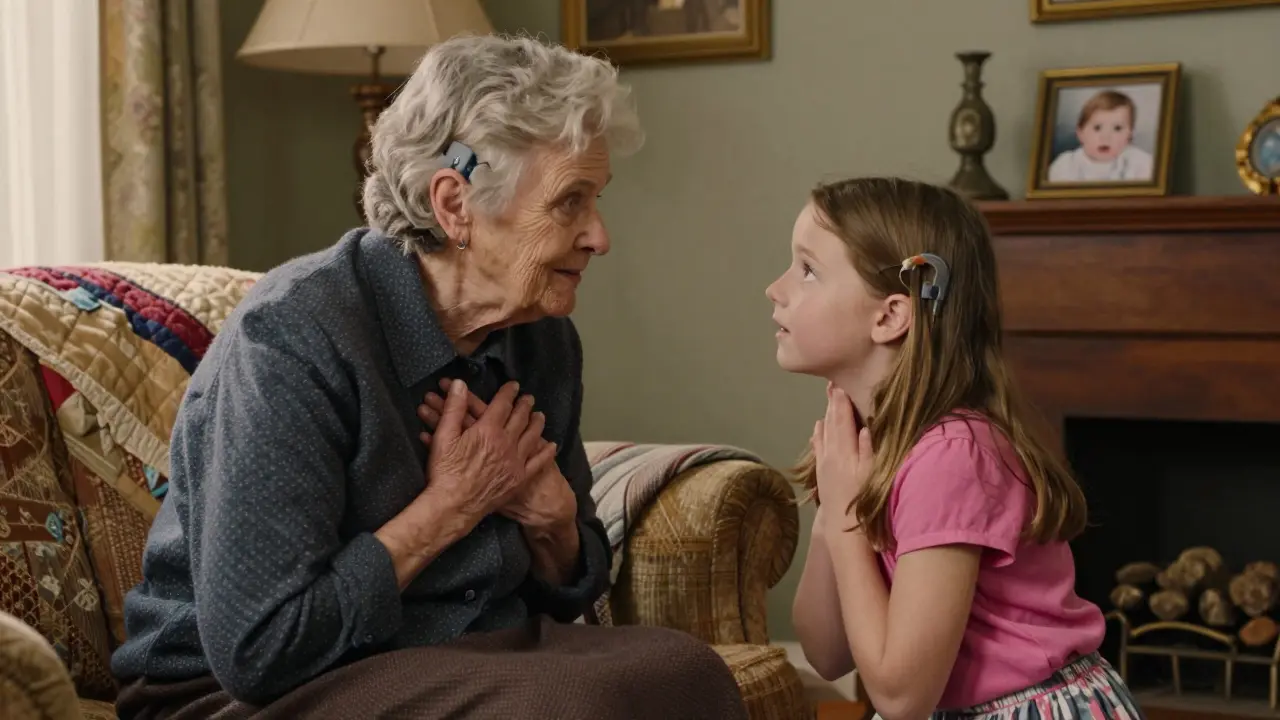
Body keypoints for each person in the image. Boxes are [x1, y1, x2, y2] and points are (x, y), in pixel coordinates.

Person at [110, 33, 747, 720]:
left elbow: (568, 590)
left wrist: (553, 522)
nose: (599, 235)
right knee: (567, 703)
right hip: (243, 691)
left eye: (597, 199)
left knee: (688, 671)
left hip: (459, 653)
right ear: (454, 204)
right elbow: (261, 650)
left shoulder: (540, 337)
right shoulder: (293, 336)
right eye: (569, 202)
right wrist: (453, 506)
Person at [767, 177, 1143, 720]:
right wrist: (834, 509)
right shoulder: (867, 447)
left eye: (807, 269)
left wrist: (848, 516)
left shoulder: (953, 456)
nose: (774, 289)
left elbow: (901, 698)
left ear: (890, 316)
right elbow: (827, 654)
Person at [1048, 89, 1154, 183]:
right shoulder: (1067, 164)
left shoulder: (1139, 162)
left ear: (1130, 135)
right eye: (1097, 128)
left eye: (1117, 128)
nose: (1106, 137)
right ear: (1080, 134)